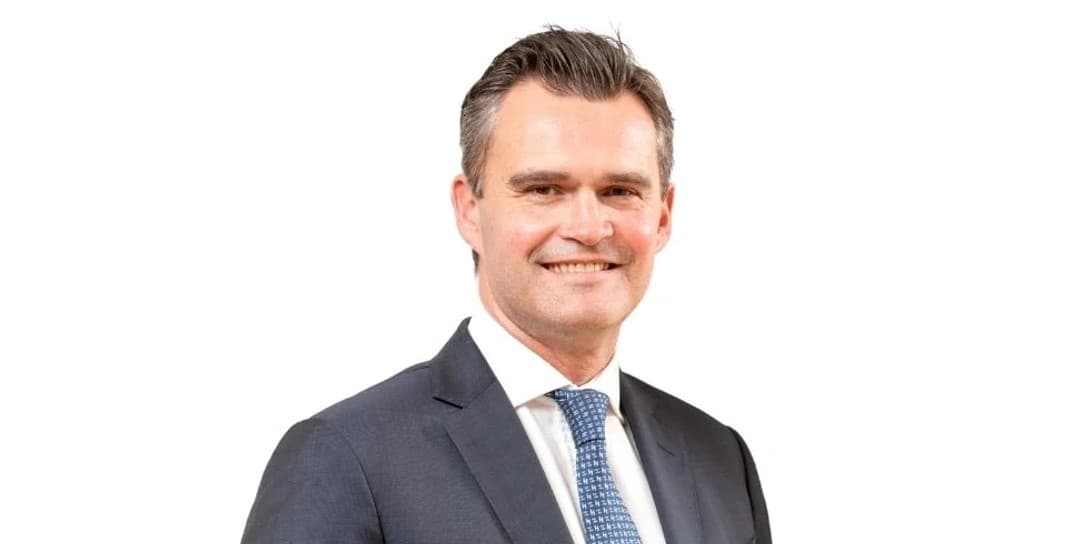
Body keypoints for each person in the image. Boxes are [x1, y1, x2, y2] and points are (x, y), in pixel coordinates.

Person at [241, 27, 771, 544]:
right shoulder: (346, 459)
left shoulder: (720, 461)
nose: (589, 228)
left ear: (663, 215)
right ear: (469, 210)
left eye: (620, 190)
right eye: (544, 189)